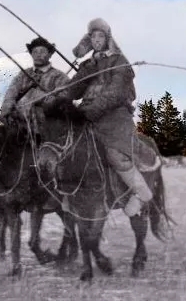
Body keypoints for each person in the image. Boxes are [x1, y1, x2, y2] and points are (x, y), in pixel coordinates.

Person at [48, 18, 154, 217]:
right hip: (87, 114)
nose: (97, 40)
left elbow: (115, 93)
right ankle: (68, 192)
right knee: (66, 146)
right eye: (93, 37)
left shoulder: (119, 62)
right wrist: (58, 97)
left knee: (115, 154)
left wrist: (91, 111)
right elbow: (75, 87)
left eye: (100, 36)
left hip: (114, 116)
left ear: (107, 39)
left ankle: (142, 193)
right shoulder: (89, 64)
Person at [0, 36, 70, 138]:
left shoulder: (60, 76)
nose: (38, 55)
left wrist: (44, 98)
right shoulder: (23, 74)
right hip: (20, 125)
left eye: (42, 51)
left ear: (50, 54)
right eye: (35, 52)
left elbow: (65, 98)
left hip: (47, 127)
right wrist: (5, 112)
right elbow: (11, 93)